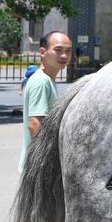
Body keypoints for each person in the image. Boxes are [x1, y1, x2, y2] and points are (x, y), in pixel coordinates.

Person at [21, 32, 72, 172]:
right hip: (40, 168)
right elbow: (35, 124)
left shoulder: (47, 79)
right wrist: (47, 162)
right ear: (43, 52)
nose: (64, 56)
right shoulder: (41, 81)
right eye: (58, 50)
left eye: (68, 51)